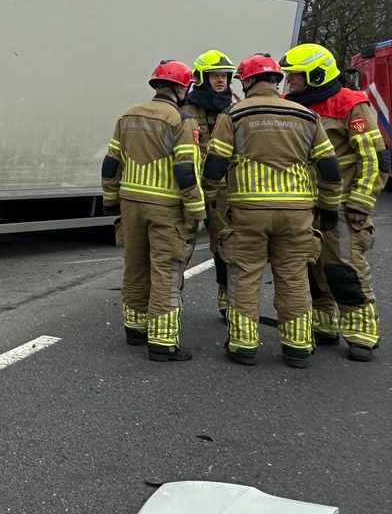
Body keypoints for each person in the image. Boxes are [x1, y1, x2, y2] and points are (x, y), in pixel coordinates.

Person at [200, 54, 342, 368]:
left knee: (246, 274)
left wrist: (208, 200)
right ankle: (297, 346)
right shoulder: (307, 116)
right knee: (293, 276)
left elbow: (215, 165)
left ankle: (243, 344)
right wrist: (329, 207)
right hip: (297, 213)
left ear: (247, 81)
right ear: (276, 80)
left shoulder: (234, 115)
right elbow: (330, 168)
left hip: (250, 212)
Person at [281, 43, 389, 361]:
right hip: (302, 204)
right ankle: (323, 325)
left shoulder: (351, 104)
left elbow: (374, 158)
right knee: (308, 267)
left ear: (316, 75)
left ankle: (361, 334)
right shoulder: (291, 105)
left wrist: (361, 201)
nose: (289, 81)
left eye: (295, 76)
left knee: (343, 268)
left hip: (341, 205)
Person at [102, 60, 206, 362]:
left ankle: (135, 328)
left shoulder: (128, 114)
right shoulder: (182, 120)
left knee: (135, 265)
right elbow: (186, 170)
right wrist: (196, 212)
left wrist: (111, 198)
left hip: (131, 203)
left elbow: (111, 162)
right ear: (179, 88)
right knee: (166, 270)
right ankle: (163, 341)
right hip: (165, 208)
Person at [186, 49, 237, 318]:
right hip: (190, 187)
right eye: (215, 76)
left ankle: (226, 295)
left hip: (222, 190)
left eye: (224, 76)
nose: (220, 81)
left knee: (225, 243)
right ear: (202, 78)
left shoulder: (236, 107)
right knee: (178, 244)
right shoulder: (186, 109)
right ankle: (166, 297)